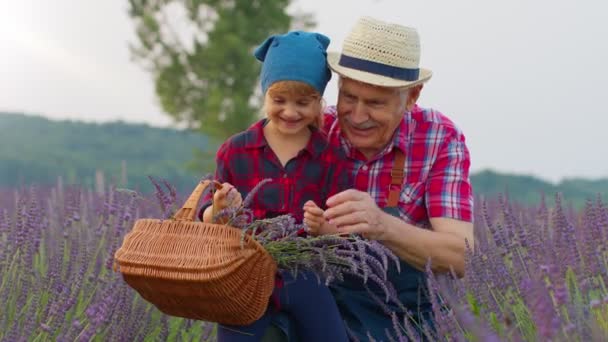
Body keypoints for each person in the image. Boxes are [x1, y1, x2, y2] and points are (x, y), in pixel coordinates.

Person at [268, 16, 475, 341]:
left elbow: (460, 256)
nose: (358, 115)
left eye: (375, 103)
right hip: (318, 313)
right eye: (349, 97)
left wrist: (382, 226)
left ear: (412, 96)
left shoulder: (439, 138)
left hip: (404, 321)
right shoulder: (313, 127)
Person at [200, 30, 350, 342]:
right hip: (244, 276)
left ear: (320, 100)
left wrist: (325, 227)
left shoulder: (331, 155)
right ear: (265, 94)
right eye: (278, 100)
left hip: (306, 275)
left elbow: (344, 232)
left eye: (304, 102)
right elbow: (203, 217)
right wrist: (218, 208)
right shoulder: (236, 151)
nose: (291, 112)